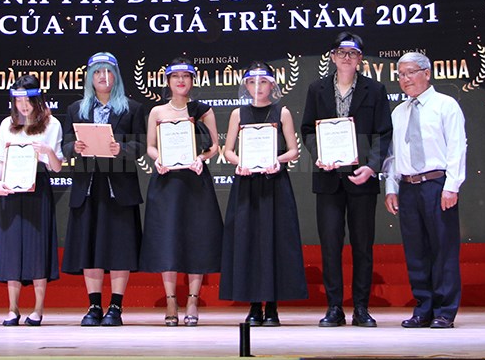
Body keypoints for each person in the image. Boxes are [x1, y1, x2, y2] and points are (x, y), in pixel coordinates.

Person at [300, 31, 392, 327]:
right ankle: (334, 307)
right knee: (330, 245)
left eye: (352, 53)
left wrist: (372, 167)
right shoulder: (316, 89)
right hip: (328, 179)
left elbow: (383, 133)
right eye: (341, 53)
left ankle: (361, 308)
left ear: (360, 58)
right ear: (332, 57)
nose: (347, 58)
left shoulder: (375, 90)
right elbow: (308, 129)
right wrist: (319, 154)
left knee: (363, 245)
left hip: (361, 178)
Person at [61, 52, 146, 327]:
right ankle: (94, 305)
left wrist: (122, 148)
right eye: (97, 72)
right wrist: (74, 147)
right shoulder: (77, 109)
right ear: (90, 77)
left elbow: (141, 146)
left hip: (118, 189)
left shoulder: (132, 108)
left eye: (108, 72)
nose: (103, 77)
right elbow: (65, 145)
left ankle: (116, 307)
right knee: (90, 248)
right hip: (88, 187)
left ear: (116, 76)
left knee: (120, 248)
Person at [220, 61, 308, 326]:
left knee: (274, 241)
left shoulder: (282, 112)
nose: (257, 87)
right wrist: (242, 162)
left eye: (263, 82)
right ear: (245, 85)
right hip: (247, 184)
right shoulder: (238, 113)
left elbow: (294, 150)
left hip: (274, 183)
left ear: (272, 85)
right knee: (247, 242)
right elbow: (228, 151)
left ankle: (272, 307)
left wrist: (276, 160)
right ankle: (253, 306)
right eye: (251, 82)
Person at [383, 52, 467, 329]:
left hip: (436, 184)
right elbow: (393, 153)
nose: (405, 79)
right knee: (416, 251)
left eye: (410, 72)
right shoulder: (398, 112)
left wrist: (451, 186)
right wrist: (391, 187)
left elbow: (457, 147)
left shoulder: (446, 105)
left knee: (443, 249)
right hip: (408, 187)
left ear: (427, 73)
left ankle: (445, 310)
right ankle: (423, 308)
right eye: (401, 75)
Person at [140, 59, 223, 327]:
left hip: (195, 181)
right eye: (175, 76)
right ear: (168, 81)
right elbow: (150, 146)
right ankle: (171, 300)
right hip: (166, 182)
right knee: (168, 240)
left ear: (192, 81)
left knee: (197, 239)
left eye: (185, 76)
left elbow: (215, 146)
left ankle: (193, 300)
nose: (180, 81)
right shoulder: (157, 111)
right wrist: (159, 159)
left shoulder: (202, 110)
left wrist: (202, 158)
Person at [0, 75, 64, 326]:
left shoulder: (51, 124)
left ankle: (38, 309)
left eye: (27, 100)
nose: (23, 105)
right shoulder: (6, 125)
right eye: (18, 100)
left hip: (37, 188)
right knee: (12, 248)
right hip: (11, 189)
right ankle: (12, 309)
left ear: (37, 99)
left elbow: (56, 167)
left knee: (37, 248)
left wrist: (48, 151)